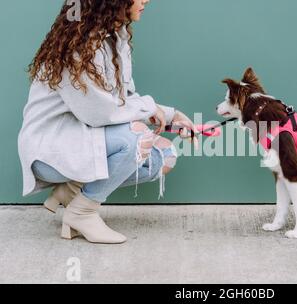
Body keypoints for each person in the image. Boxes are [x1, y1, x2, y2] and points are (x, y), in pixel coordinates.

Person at [18, 0, 198, 244]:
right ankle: (82, 212)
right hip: (51, 150)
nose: (146, 0)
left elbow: (124, 99)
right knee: (139, 137)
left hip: (84, 140)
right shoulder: (78, 47)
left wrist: (170, 117)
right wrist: (153, 110)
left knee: (164, 157)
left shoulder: (115, 38)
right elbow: (100, 112)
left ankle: (72, 191)